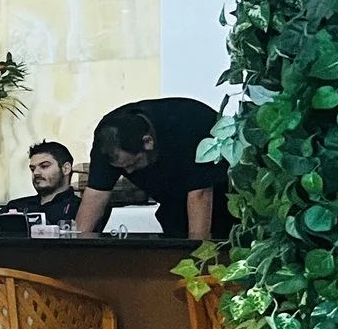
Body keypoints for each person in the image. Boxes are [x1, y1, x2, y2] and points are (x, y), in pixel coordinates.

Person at [77, 99, 227, 238]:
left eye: (133, 164)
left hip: (222, 199)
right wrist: (74, 250)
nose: (128, 172)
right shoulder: (108, 139)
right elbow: (95, 195)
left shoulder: (191, 124)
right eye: (122, 169)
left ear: (148, 142)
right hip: (172, 208)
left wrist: (197, 255)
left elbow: (200, 195)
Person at [3, 140, 80, 225]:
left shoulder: (82, 209)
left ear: (66, 169)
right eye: (32, 169)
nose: (36, 173)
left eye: (44, 166)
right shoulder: (17, 206)